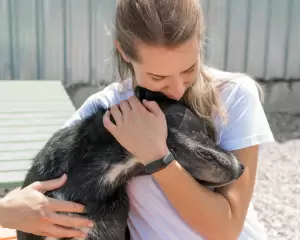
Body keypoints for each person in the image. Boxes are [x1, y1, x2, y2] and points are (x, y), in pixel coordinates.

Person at [0, 0, 274, 239]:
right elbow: (45, 177)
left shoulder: (234, 96)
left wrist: (156, 156)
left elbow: (225, 230)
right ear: (124, 52)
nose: (178, 89)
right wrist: (7, 211)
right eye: (158, 78)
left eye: (189, 69)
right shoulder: (108, 109)